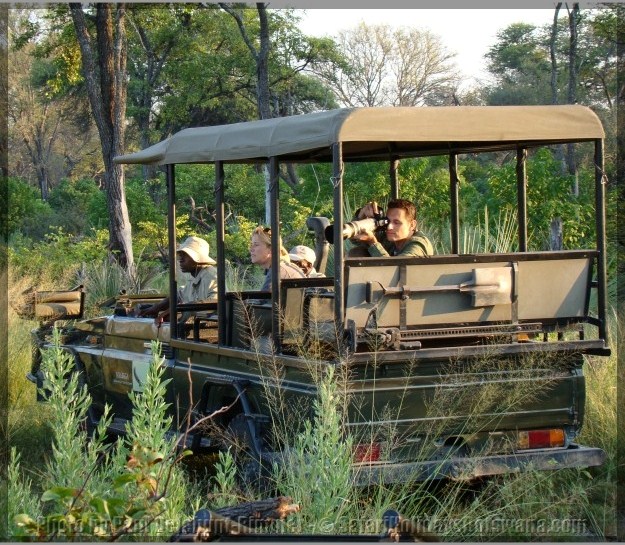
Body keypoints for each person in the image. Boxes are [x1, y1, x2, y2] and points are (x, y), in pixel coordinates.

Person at [138, 236, 217, 321]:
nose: (181, 260)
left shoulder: (210, 275)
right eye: (180, 256)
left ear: (197, 258)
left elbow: (216, 301)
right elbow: (179, 296)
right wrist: (155, 308)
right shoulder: (194, 277)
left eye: (185, 256)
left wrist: (176, 309)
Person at [351, 198, 433, 257]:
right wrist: (360, 216)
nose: (389, 227)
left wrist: (373, 243)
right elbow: (356, 240)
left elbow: (396, 270)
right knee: (357, 252)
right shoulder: (391, 237)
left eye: (396, 222)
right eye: (388, 221)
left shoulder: (418, 244)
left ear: (412, 225)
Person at [250, 226, 304, 291]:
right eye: (251, 244)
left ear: (271, 249)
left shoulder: (277, 271)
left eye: (256, 245)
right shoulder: (280, 268)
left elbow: (263, 300)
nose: (251, 249)